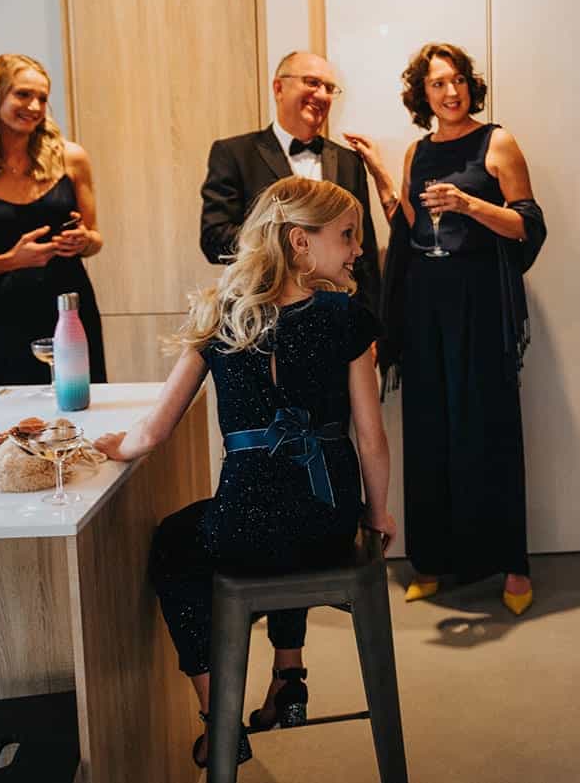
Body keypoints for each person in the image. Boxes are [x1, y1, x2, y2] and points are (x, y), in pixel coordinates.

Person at [93, 177, 394, 770]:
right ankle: (290, 674)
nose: (358, 248)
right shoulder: (349, 320)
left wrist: (112, 446)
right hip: (329, 524)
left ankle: (219, 720)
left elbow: (152, 433)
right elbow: (372, 438)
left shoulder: (221, 317)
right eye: (346, 235)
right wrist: (377, 513)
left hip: (245, 529)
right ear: (298, 242)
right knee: (303, 516)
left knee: (176, 546)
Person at [360, 42, 545, 617]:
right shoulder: (419, 150)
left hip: (481, 305)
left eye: (459, 79)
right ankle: (433, 561)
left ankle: (513, 568)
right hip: (426, 307)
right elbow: (416, 227)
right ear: (423, 94)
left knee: (490, 429)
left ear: (471, 86)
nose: (451, 91)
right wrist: (386, 183)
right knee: (430, 431)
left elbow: (527, 227)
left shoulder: (498, 142)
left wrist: (469, 204)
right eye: (438, 83)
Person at [0, 54, 107, 386]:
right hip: (3, 314)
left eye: (42, 97)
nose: (35, 106)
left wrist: (83, 241)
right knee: (11, 414)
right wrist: (12, 261)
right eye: (23, 94)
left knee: (81, 406)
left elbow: (95, 239)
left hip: (69, 308)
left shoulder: (71, 158)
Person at [200, 52, 381, 313]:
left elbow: (365, 251)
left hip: (338, 317)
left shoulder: (348, 161)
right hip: (260, 314)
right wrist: (289, 246)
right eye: (311, 82)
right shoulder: (234, 154)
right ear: (278, 88)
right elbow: (213, 239)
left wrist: (371, 323)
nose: (321, 94)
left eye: (329, 88)